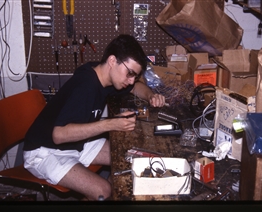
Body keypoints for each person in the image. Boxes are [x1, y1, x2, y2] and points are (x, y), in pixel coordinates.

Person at [23, 34, 166, 200]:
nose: (132, 80)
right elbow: (58, 135)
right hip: (44, 151)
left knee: (129, 156)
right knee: (103, 191)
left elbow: (136, 88)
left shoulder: (104, 75)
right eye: (130, 74)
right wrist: (111, 124)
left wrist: (150, 96)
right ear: (113, 61)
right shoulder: (85, 85)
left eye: (135, 76)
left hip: (76, 143)